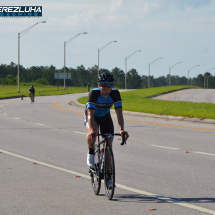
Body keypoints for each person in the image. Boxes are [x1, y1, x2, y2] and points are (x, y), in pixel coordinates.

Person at [84, 72, 129, 187]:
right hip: (92, 117)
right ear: (99, 85)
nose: (106, 88)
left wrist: (122, 130)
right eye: (104, 85)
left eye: (109, 85)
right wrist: (91, 132)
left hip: (105, 117)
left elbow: (119, 113)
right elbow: (90, 114)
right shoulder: (94, 93)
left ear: (112, 86)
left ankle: (108, 176)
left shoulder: (115, 94)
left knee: (109, 143)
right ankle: (90, 154)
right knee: (94, 132)